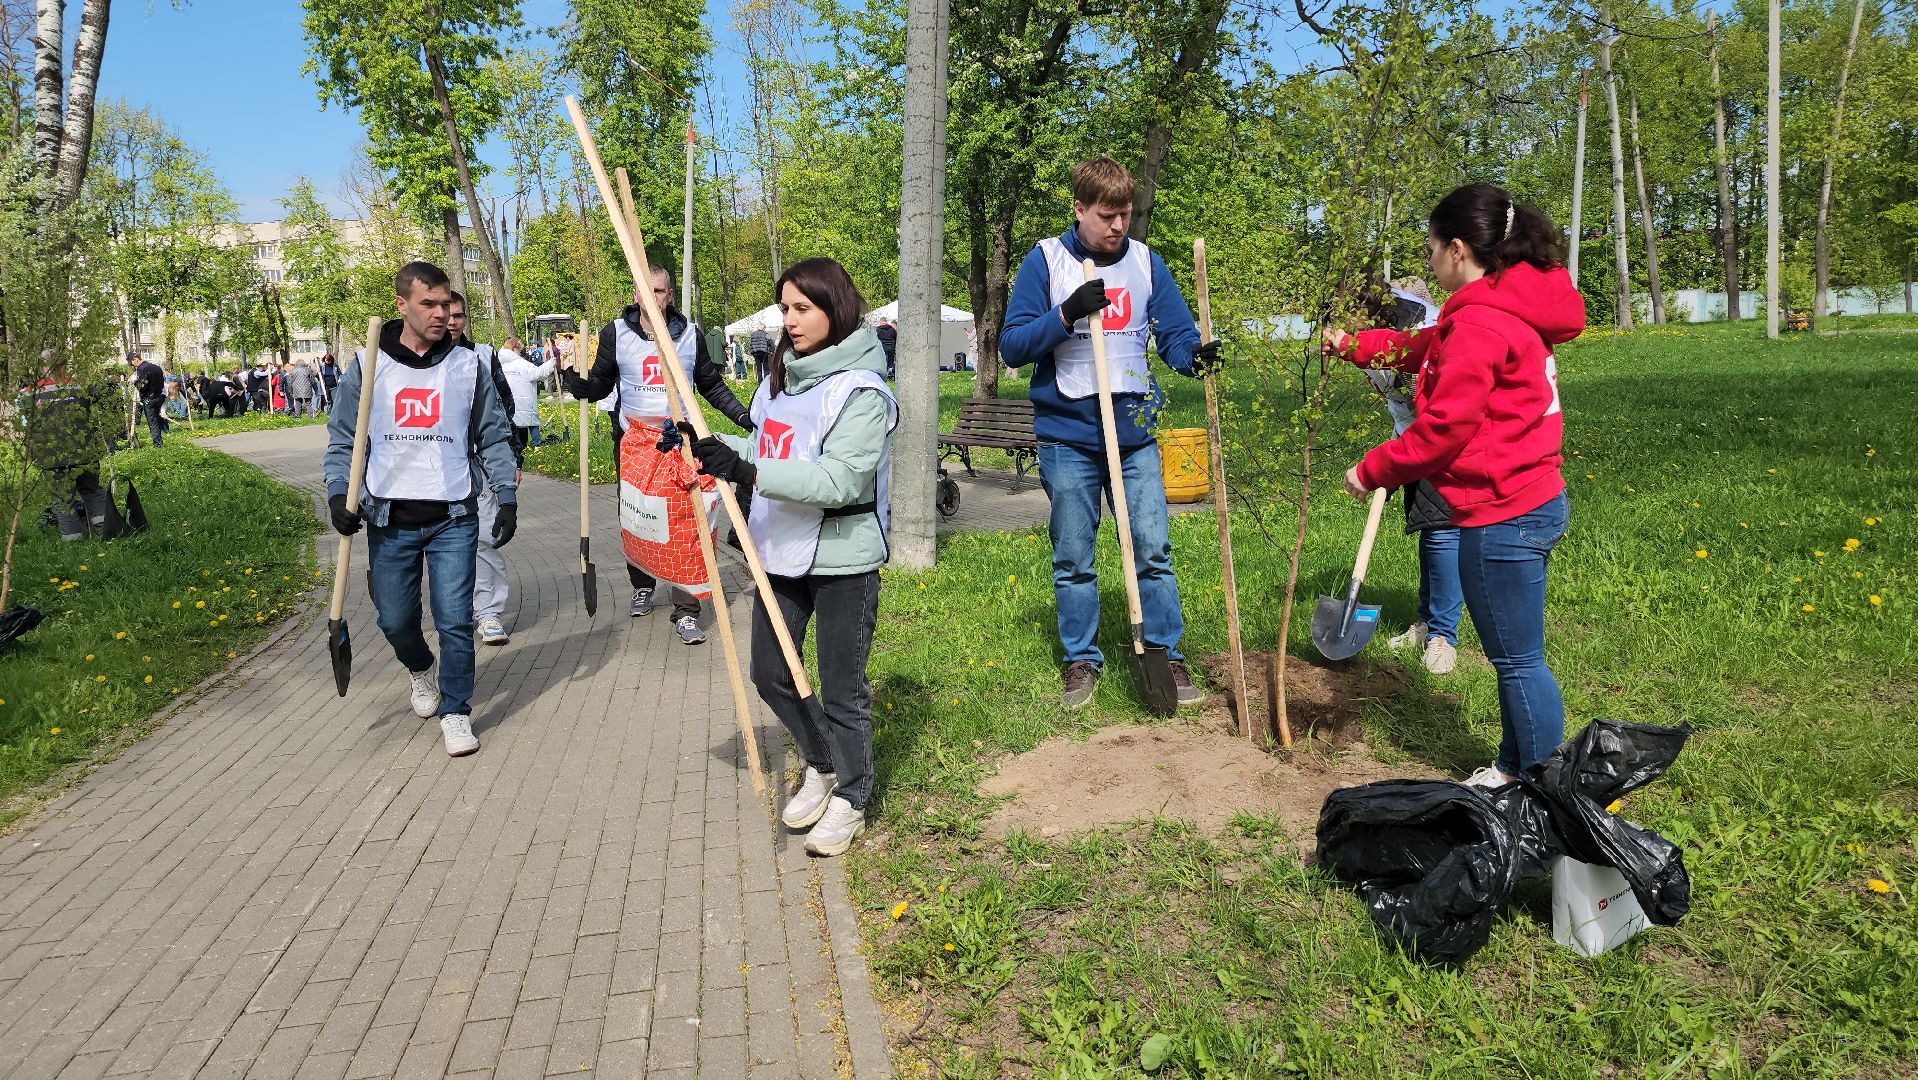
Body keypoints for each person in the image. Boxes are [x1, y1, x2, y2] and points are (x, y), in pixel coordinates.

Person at [1327, 182, 1585, 787]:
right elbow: (1425, 346)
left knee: (1517, 660)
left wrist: (1372, 470)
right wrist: (1355, 346)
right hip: (1530, 495)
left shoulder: (1480, 325)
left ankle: (1531, 781)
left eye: (1432, 248)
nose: (1429, 260)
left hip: (1504, 512)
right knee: (1517, 657)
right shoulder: (1502, 305)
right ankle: (1519, 766)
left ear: (1460, 250)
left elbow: (1442, 430)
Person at [683, 257, 895, 857]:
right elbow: (763, 444)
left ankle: (854, 794)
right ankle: (823, 762)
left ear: (835, 308)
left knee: (841, 686)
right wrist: (710, 447)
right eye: (785, 309)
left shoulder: (864, 391)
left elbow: (843, 480)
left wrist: (749, 469)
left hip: (840, 561)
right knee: (772, 675)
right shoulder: (782, 381)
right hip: (777, 551)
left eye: (802, 308)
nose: (790, 320)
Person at [998, 156, 1220, 711]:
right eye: (1106, 215)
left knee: (1152, 547)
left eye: (1125, 215)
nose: (1118, 226)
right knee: (1074, 555)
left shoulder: (1147, 264)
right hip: (1067, 437)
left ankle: (1164, 651)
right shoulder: (1046, 262)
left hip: (1135, 435)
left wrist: (1196, 357)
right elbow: (1013, 346)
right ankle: (1082, 660)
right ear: (1079, 209)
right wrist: (1067, 312)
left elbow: (1172, 338)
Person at [323, 261, 519, 757]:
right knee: (395, 621)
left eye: (445, 304)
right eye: (428, 304)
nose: (440, 314)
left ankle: (456, 711)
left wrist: (507, 493)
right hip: (389, 519)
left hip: (454, 514)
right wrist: (336, 496)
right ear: (402, 305)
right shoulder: (369, 364)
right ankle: (419, 670)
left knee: (455, 619)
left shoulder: (467, 366)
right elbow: (345, 440)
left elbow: (493, 433)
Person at [563, 264, 753, 645]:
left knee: (688, 519)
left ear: (669, 294)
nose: (654, 298)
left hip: (678, 441)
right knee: (637, 516)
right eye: (647, 291)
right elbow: (601, 382)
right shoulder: (617, 334)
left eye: (661, 292)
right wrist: (581, 386)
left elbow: (712, 386)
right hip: (635, 444)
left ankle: (686, 610)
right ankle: (643, 583)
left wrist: (745, 417)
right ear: (636, 294)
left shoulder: (689, 337)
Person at [1354, 275, 1460, 676]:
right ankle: (1427, 622)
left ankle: (1443, 637)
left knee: (1442, 532)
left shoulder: (1416, 334)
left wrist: (1394, 461)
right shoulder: (1370, 337)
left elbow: (1435, 410)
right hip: (1411, 435)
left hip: (1444, 439)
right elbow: (1399, 402)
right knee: (1427, 530)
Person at [446, 291, 518, 648]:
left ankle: (489, 613)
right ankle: (455, 610)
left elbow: (504, 409)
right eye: (448, 314)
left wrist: (511, 461)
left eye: (459, 315)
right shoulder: (409, 362)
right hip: (434, 472)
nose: (452, 321)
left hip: (479, 466)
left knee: (486, 539)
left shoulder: (482, 356)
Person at [496, 336, 555, 450]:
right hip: (525, 400)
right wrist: (551, 363)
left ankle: (517, 446)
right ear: (514, 349)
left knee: (514, 424)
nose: (521, 352)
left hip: (509, 402)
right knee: (531, 422)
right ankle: (537, 445)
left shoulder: (500, 364)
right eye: (519, 349)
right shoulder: (523, 364)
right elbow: (538, 373)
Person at [127, 351, 168, 447]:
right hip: (159, 397)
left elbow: (142, 385)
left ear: (136, 359)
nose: (133, 366)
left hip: (149, 398)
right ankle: (160, 439)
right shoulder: (157, 367)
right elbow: (162, 382)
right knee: (157, 419)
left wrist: (135, 382)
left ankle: (158, 445)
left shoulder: (142, 369)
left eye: (132, 363)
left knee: (152, 422)